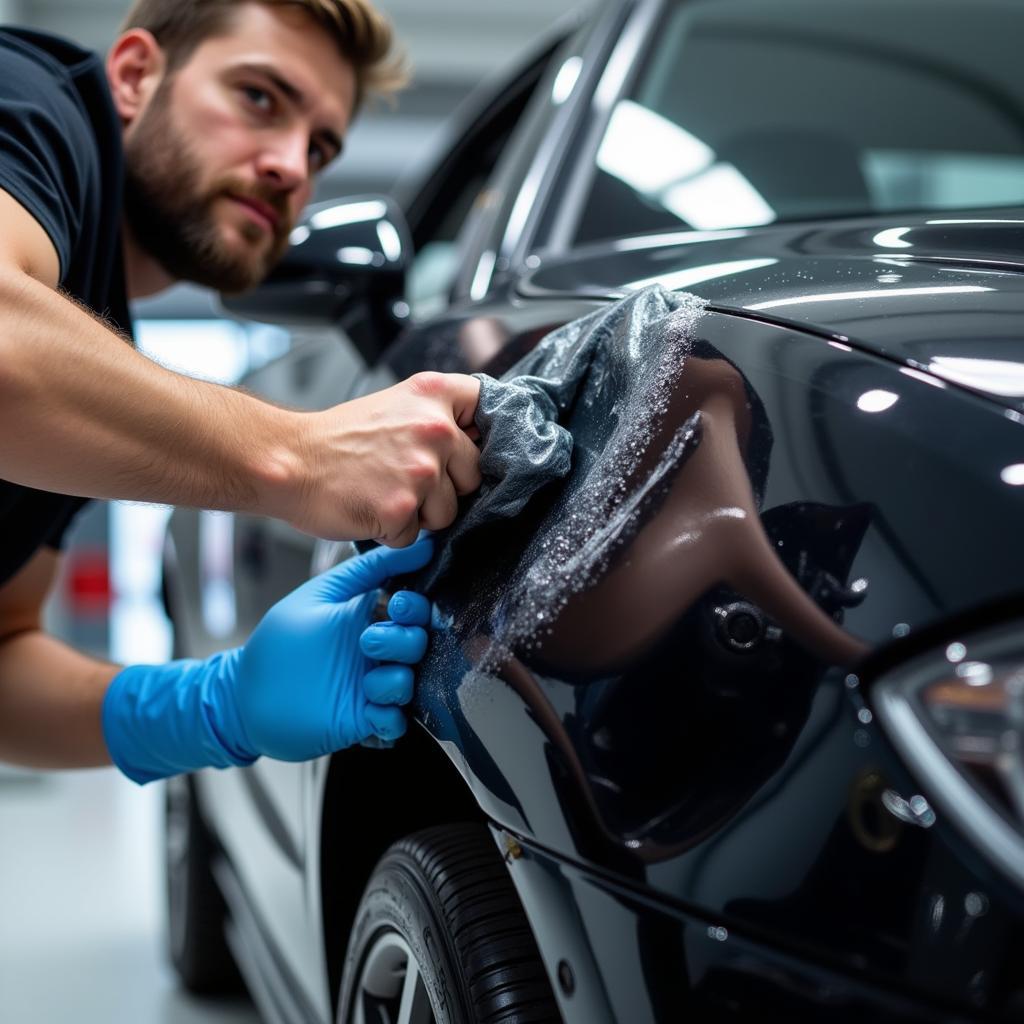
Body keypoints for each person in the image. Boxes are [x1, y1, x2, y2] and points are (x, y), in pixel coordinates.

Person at [0, 0, 483, 783]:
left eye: (320, 147)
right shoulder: (26, 97)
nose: (293, 166)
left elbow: (3, 649)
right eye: (260, 98)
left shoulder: (92, 346)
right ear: (133, 75)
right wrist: (297, 455)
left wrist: (217, 706)